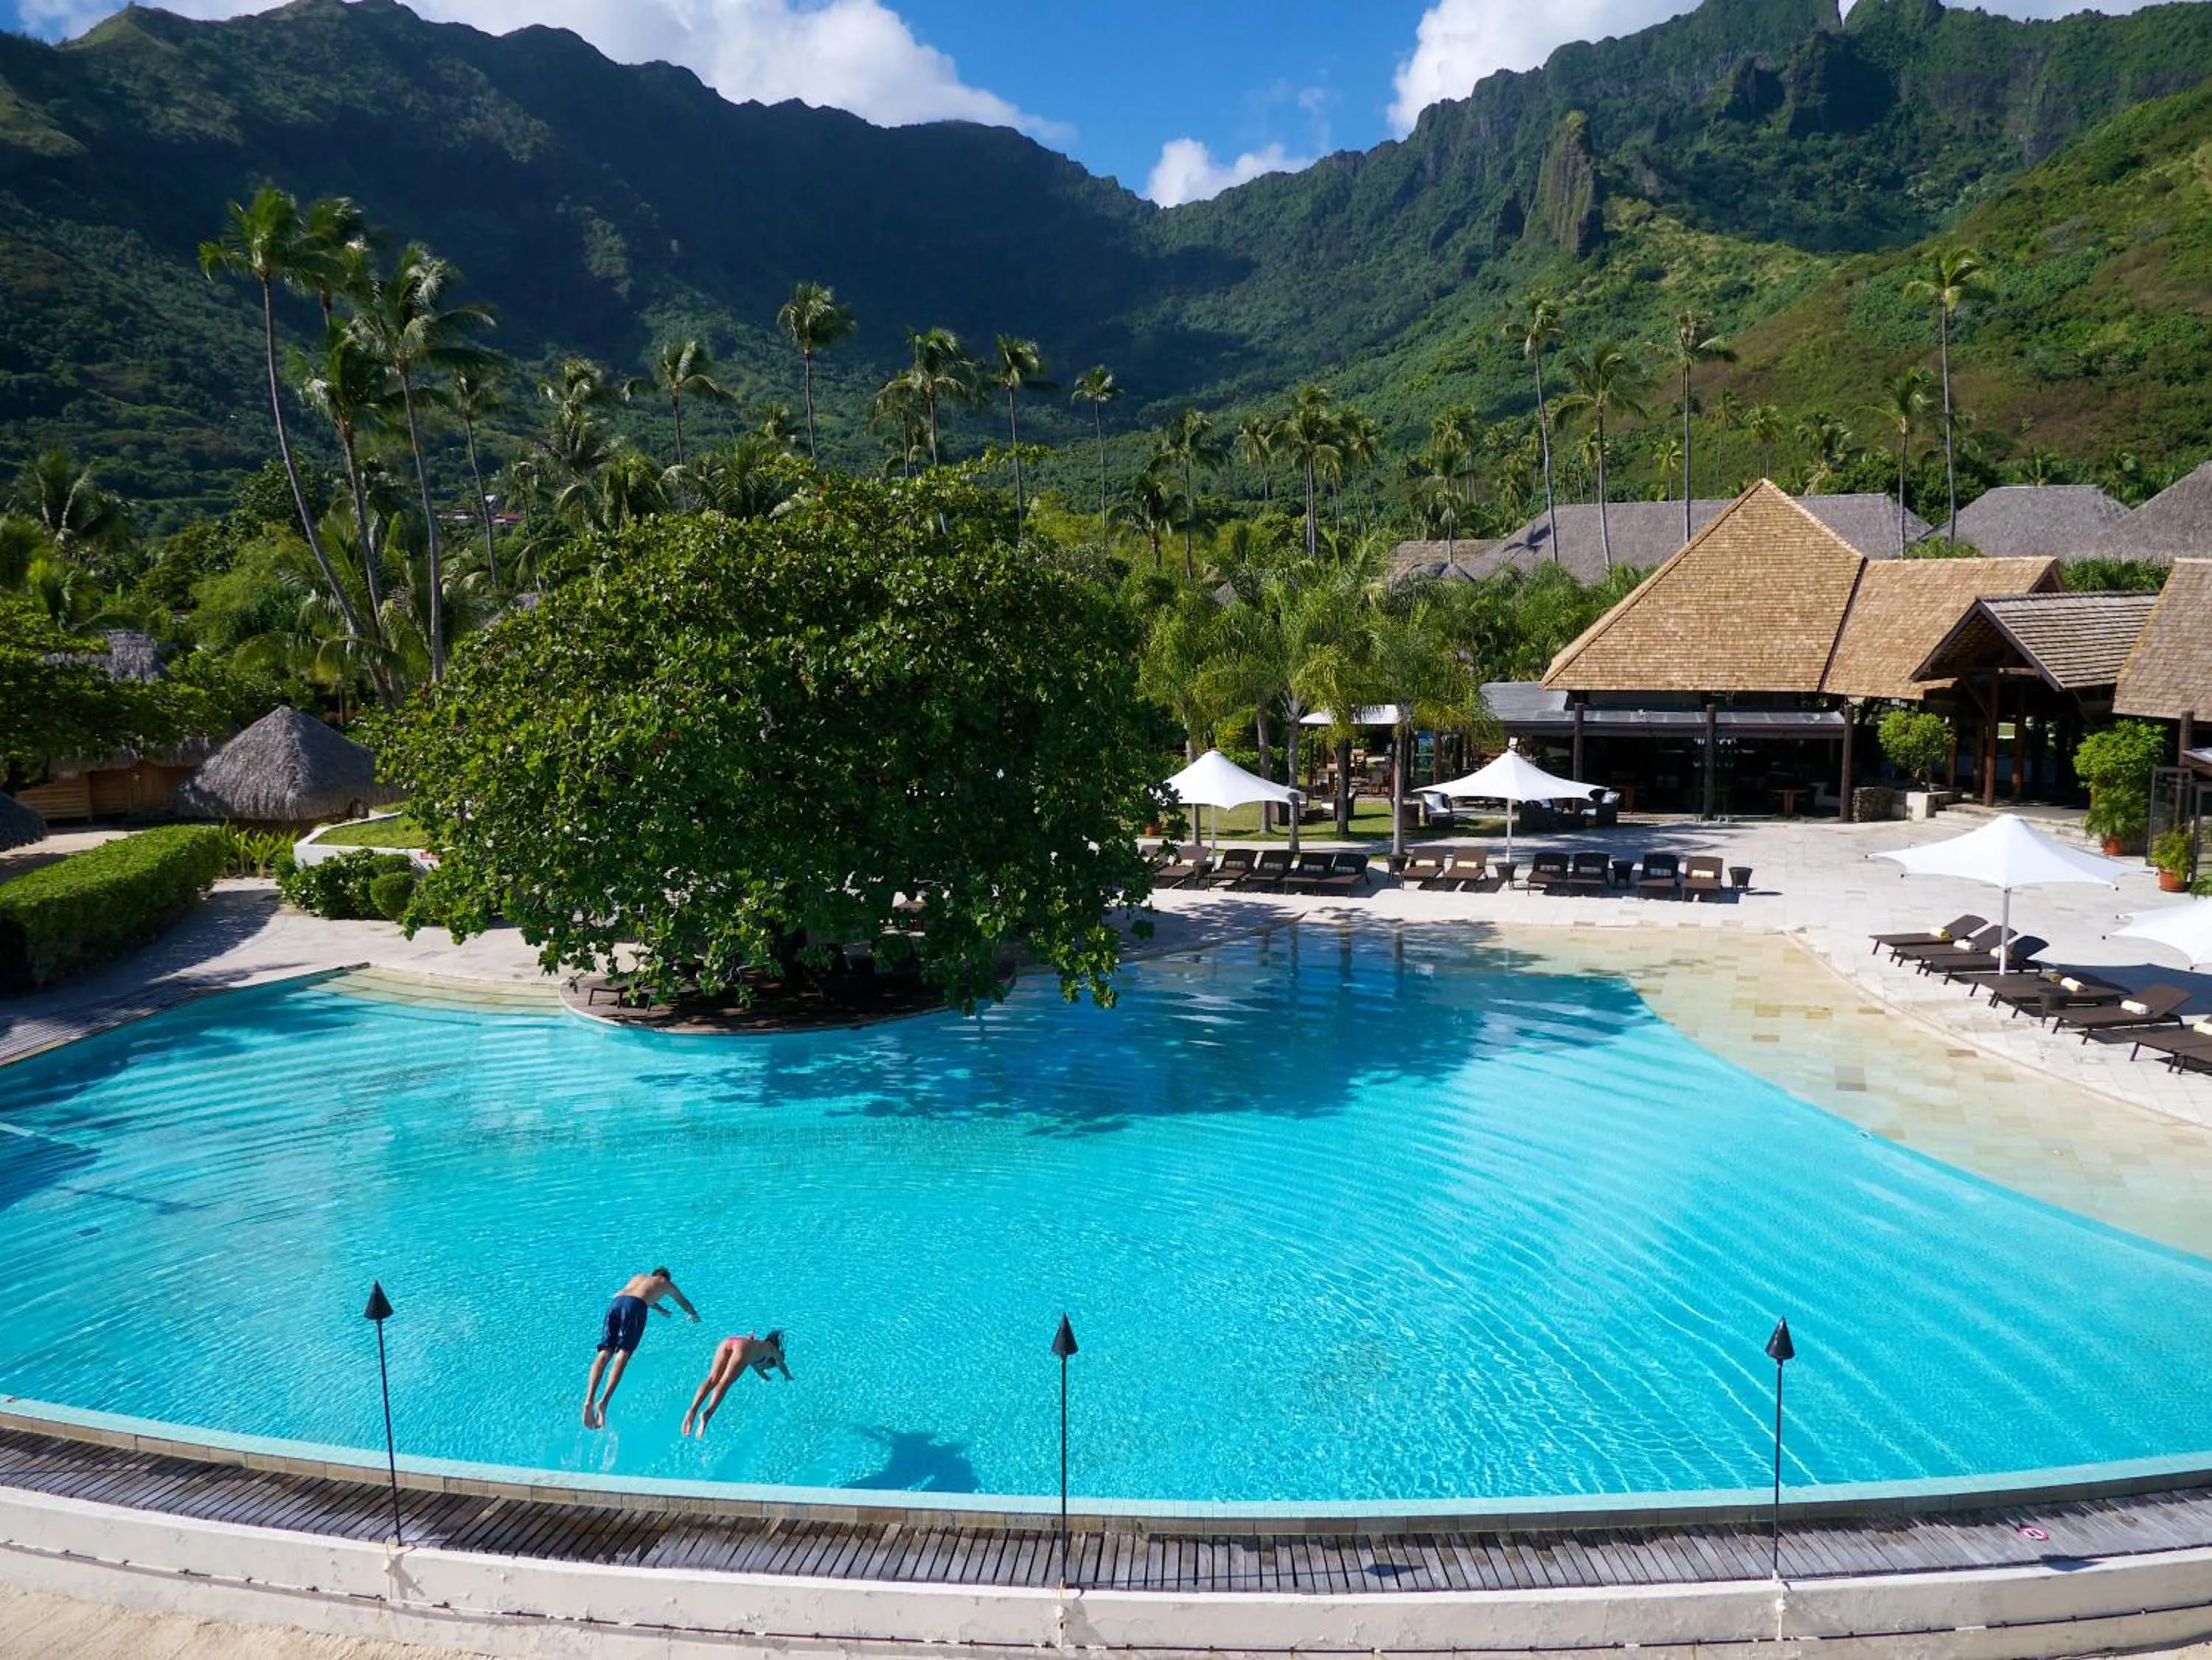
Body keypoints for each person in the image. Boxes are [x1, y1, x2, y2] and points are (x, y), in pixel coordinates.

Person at [582, 1267, 698, 1428]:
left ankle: (589, 1400)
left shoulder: (638, 1277)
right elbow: (682, 1301)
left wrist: (660, 1309)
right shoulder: (666, 1283)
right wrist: (693, 1314)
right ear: (665, 1277)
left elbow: (639, 1296)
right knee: (622, 1355)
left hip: (616, 1303)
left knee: (604, 1353)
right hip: (635, 1307)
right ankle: (604, 1402)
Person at [681, 1330, 791, 1437]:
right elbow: (781, 1364)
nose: (765, 1368)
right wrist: (787, 1375)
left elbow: (758, 1368)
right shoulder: (772, 1350)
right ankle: (707, 1414)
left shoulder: (759, 1349)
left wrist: (765, 1377)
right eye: (768, 1367)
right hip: (742, 1347)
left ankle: (692, 1410)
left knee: (712, 1379)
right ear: (769, 1362)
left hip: (730, 1341)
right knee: (725, 1382)